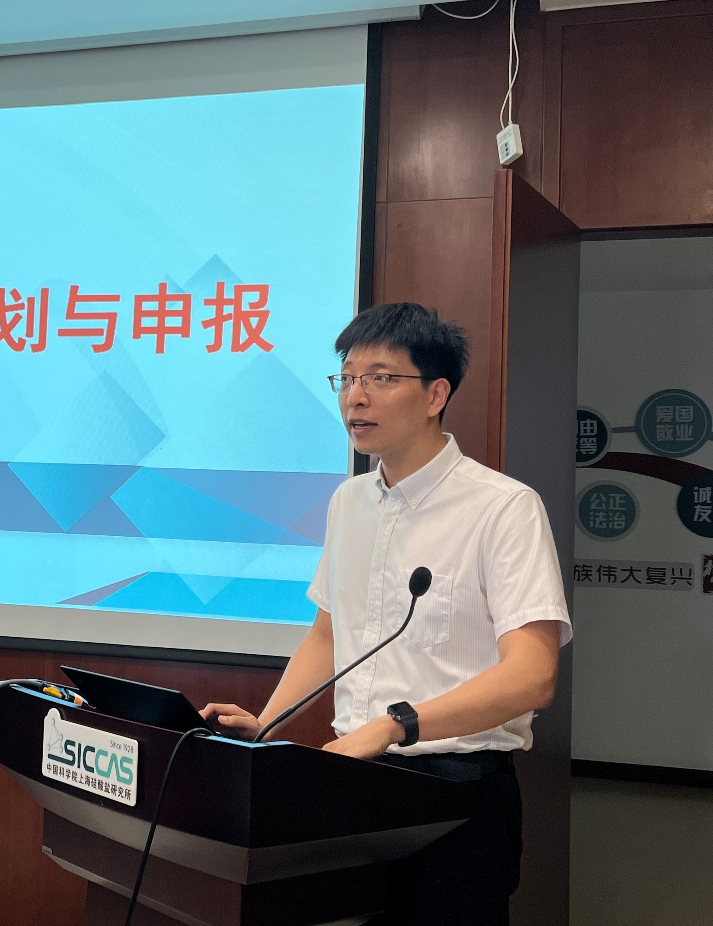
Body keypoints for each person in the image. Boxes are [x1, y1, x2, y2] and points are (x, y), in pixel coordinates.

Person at [200, 302, 572, 926]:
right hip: (355, 783)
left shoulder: (503, 508)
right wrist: (266, 725)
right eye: (346, 378)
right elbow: (328, 635)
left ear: (436, 395)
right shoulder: (349, 502)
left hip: (456, 790)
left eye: (380, 378)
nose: (356, 397)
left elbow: (532, 676)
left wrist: (396, 725)